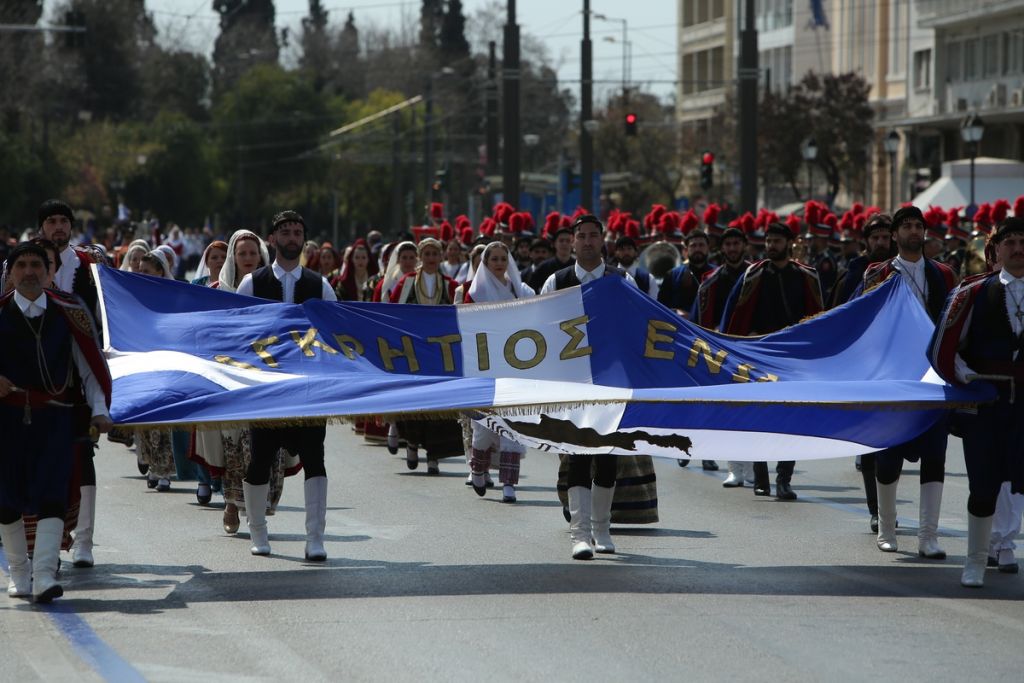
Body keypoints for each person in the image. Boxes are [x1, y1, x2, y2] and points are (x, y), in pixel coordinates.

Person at [0, 242, 112, 602]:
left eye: (37, 265)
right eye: (21, 265)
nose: (29, 272)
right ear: (10, 274)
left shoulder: (70, 313)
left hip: (56, 418)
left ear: (49, 272)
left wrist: (100, 409)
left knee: (53, 493)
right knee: (5, 499)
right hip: (6, 422)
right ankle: (20, 574)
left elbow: (90, 366)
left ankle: (45, 574)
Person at [541, 215, 652, 559]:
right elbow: (538, 330)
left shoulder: (622, 280)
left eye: (593, 235)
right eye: (581, 236)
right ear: (572, 241)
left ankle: (602, 530)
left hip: (611, 381)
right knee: (577, 455)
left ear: (603, 240)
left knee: (606, 456)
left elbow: (638, 325)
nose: (587, 241)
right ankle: (580, 534)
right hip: (571, 382)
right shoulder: (556, 282)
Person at [927, 217, 1024, 587]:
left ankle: (1007, 544)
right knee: (983, 486)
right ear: (996, 249)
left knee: (1017, 481)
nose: (1018, 249)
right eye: (1010, 242)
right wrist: (965, 375)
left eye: (1023, 242)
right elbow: (941, 348)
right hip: (987, 405)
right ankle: (975, 562)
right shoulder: (973, 292)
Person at [235, 211, 336, 560]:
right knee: (260, 459)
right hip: (266, 390)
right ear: (273, 239)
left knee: (315, 459)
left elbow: (335, 335)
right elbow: (239, 333)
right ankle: (258, 531)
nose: (292, 238)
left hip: (308, 390)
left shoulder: (321, 286)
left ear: (303, 240)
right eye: (285, 232)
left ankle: (315, 538)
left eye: (297, 232)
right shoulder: (252, 283)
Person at [857, 206, 957, 557]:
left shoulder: (944, 274)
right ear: (895, 234)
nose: (914, 231)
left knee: (935, 457)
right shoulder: (877, 273)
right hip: (892, 379)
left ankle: (928, 537)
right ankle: (887, 529)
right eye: (907, 226)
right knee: (888, 458)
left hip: (933, 379)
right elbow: (863, 324)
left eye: (919, 226)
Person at [192, 230, 297, 535]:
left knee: (265, 448)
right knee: (235, 448)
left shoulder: (276, 290)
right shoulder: (217, 292)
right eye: (242, 253)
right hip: (230, 382)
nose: (248, 258)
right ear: (233, 258)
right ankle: (232, 502)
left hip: (268, 382)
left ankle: (256, 512)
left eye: (253, 253)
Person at [720, 221, 824, 500]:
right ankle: (761, 477)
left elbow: (819, 317)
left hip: (793, 358)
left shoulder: (805, 276)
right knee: (759, 416)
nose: (771, 246)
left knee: (793, 419)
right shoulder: (753, 275)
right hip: (760, 356)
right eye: (768, 241)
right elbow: (734, 315)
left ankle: (784, 480)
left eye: (777, 241)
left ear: (788, 243)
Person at [462, 242, 535, 502]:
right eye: (494, 259)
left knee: (512, 426)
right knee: (484, 426)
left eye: (503, 258)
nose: (499, 263)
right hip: (484, 367)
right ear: (485, 262)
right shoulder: (475, 293)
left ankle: (509, 484)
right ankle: (478, 469)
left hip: (515, 367)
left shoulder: (521, 290)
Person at [389, 238, 463, 473]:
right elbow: (393, 311)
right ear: (421, 257)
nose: (431, 258)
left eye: (435, 254)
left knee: (438, 404)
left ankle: (434, 455)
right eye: (427, 254)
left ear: (441, 257)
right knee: (413, 400)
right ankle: (411, 444)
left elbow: (460, 315)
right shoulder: (407, 282)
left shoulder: (450, 285)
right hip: (412, 352)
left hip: (441, 354)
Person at [693, 226, 751, 485]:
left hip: (750, 350)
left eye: (736, 243)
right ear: (722, 248)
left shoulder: (755, 274)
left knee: (752, 410)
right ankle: (734, 468)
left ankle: (752, 466)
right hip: (721, 353)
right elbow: (699, 320)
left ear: (744, 246)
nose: (732, 248)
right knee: (728, 412)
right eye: (728, 244)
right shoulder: (710, 281)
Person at [657, 230, 714, 318]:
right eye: (693, 245)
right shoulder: (672, 275)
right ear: (686, 249)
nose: (697, 249)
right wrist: (675, 312)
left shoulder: (718, 273)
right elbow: (661, 307)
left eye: (701, 245)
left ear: (708, 248)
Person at [528, 227, 574, 293]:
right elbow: (531, 291)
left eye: (568, 241)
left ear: (573, 243)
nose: (565, 244)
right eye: (561, 241)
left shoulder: (577, 265)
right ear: (554, 244)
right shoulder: (543, 267)